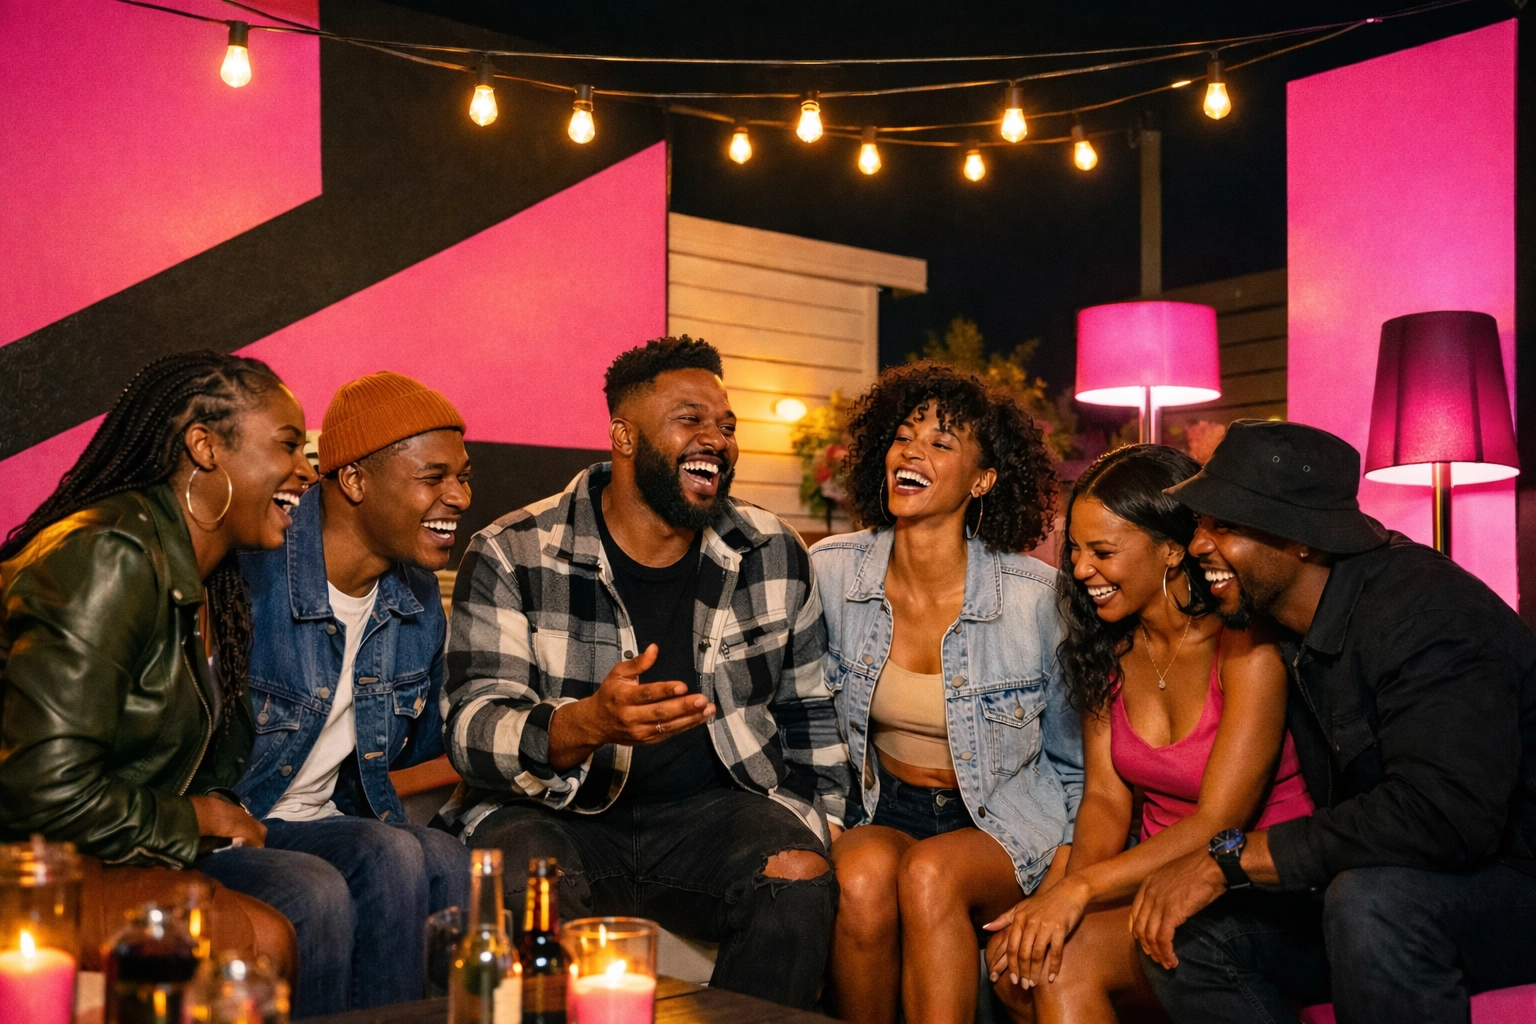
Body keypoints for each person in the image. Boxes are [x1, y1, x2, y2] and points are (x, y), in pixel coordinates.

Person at [439, 336, 847, 1009]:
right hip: (552, 812)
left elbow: (809, 714)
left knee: (799, 875)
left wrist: (820, 823)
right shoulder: (514, 550)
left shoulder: (770, 550)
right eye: (690, 420)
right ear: (623, 437)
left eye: (726, 425)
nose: (715, 438)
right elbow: (474, 728)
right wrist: (587, 723)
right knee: (523, 885)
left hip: (712, 814)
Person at [1129, 419, 1536, 1024]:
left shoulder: (1426, 614)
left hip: (1509, 880)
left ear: (1305, 540)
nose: (1197, 546)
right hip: (1391, 872)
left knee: (1372, 901)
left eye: (1227, 525)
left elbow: (1444, 817)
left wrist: (1230, 858)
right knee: (1193, 937)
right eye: (1201, 524)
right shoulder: (1276, 620)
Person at [0, 352, 337, 1008]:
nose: (306, 468)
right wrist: (191, 817)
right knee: (275, 923)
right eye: (289, 445)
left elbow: (185, 756)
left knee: (349, 872)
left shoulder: (214, 578)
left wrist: (208, 806)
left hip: (121, 845)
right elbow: (38, 791)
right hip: (35, 860)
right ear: (205, 447)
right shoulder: (110, 555)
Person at [983, 444, 1312, 1024]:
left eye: (1103, 552)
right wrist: (1058, 904)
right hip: (1148, 877)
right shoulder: (1108, 651)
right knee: (1024, 961)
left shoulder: (1245, 648)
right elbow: (1107, 801)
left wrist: (1076, 894)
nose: (1081, 570)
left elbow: (1218, 821)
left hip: (1248, 890)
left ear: (1170, 548)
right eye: (1076, 550)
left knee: (1066, 963)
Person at [811, 363, 1083, 1024]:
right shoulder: (832, 570)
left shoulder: (1035, 598)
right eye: (904, 437)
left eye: (940, 443)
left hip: (1004, 817)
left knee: (931, 871)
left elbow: (1075, 763)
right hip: (886, 803)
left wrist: (1064, 877)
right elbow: (806, 717)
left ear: (983, 479)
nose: (912, 452)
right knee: (861, 875)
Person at [200, 372, 472, 1010]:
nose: (458, 497)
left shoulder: (419, 597)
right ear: (354, 481)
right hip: (234, 824)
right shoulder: (253, 571)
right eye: (434, 478)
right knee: (368, 861)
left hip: (326, 821)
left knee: (445, 855)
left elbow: (408, 760)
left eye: (464, 476)